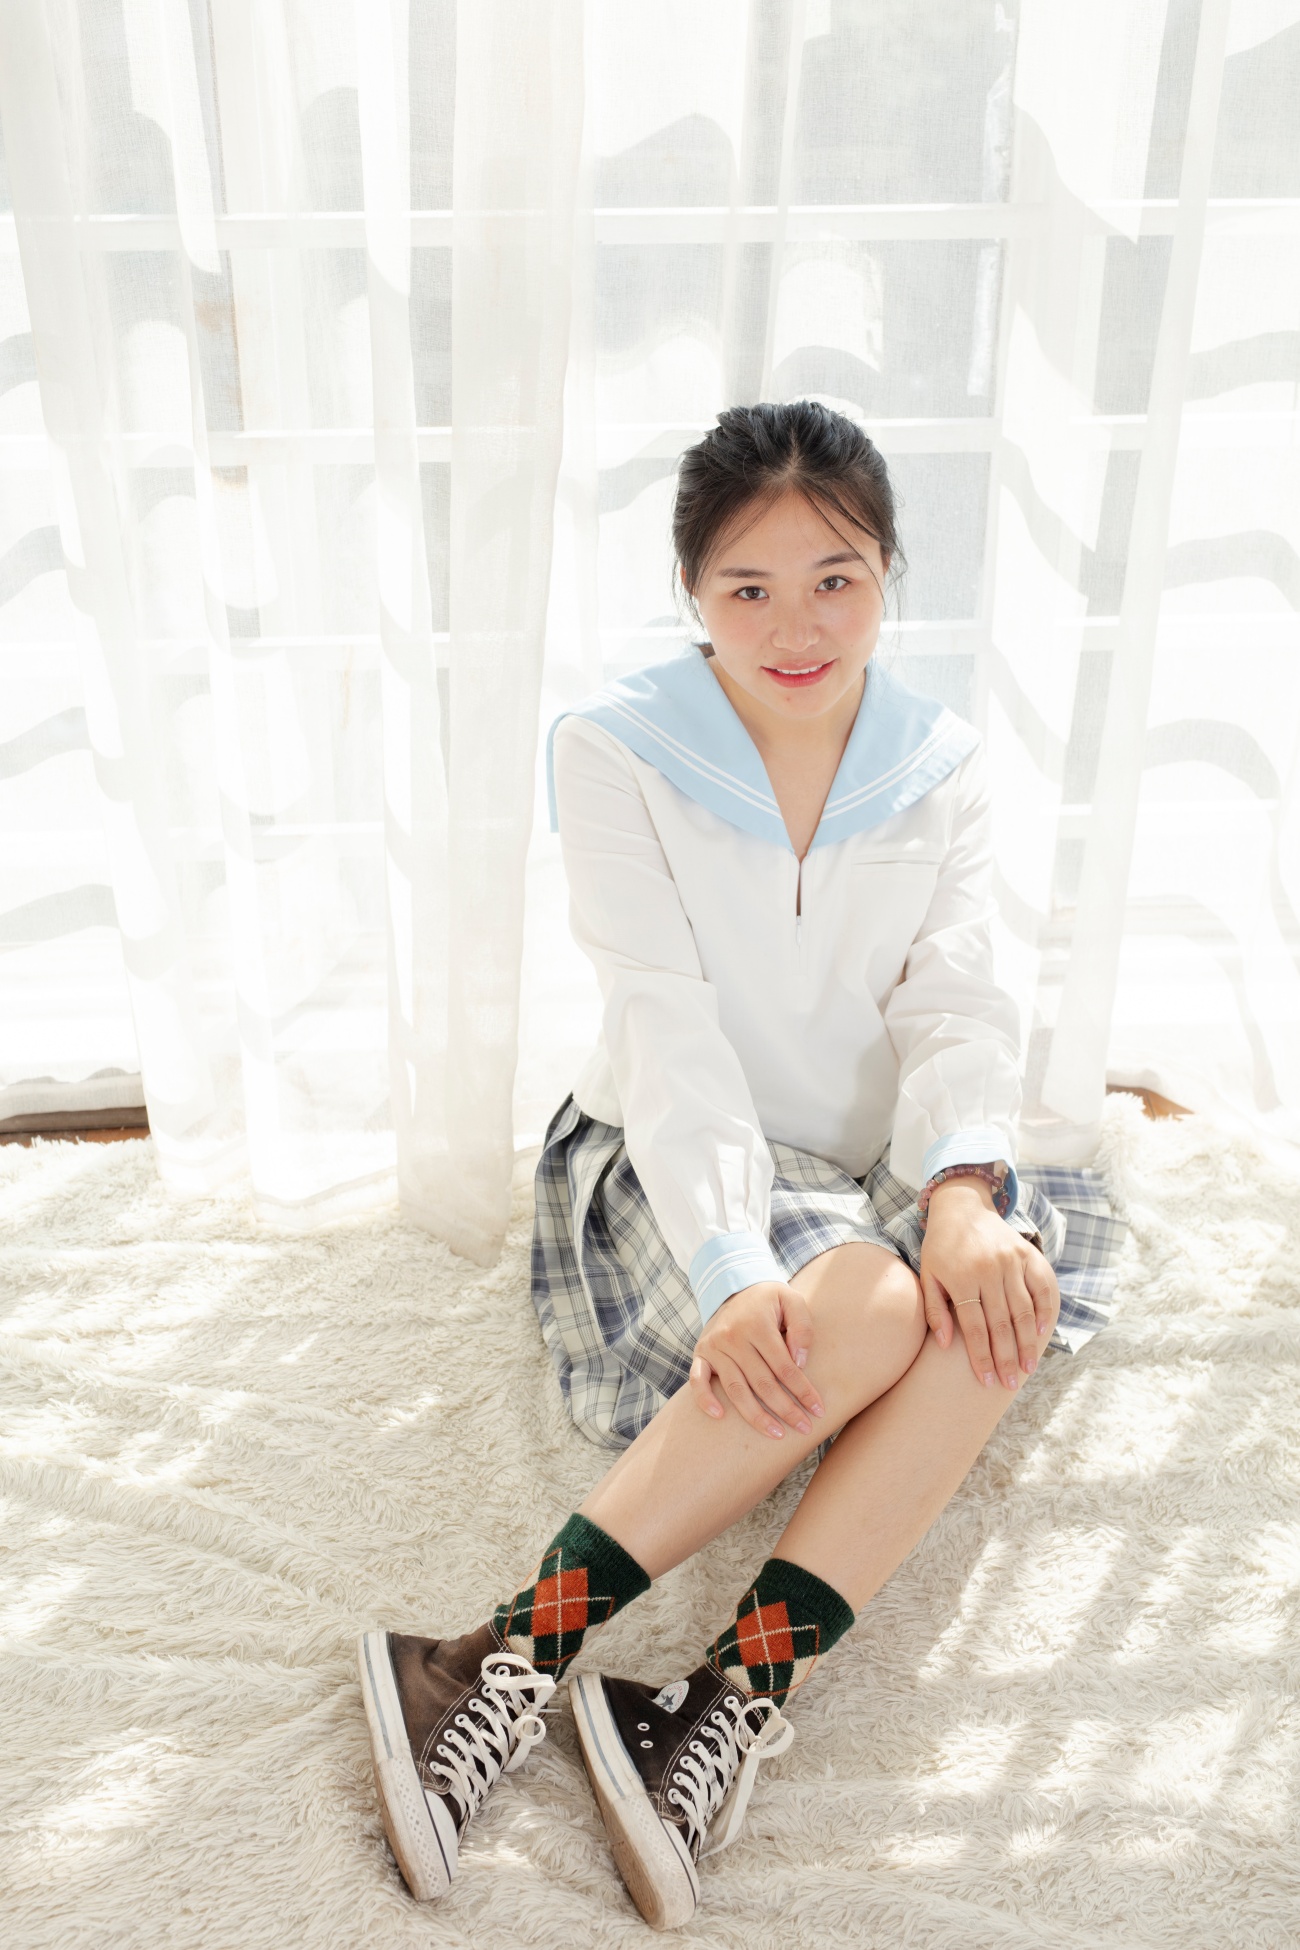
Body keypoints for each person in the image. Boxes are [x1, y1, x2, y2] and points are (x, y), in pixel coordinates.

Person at [357, 401, 1124, 1930]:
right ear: (691, 592)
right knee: (871, 1310)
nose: (797, 626)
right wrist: (728, 1265)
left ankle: (719, 1701)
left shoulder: (944, 764)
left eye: (838, 578)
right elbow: (666, 1030)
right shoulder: (617, 749)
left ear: (892, 572)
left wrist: (962, 1202)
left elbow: (955, 1001)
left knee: (991, 1306)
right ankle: (494, 1658)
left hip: (882, 1157)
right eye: (748, 587)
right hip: (672, 1147)